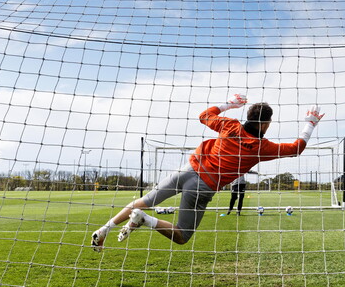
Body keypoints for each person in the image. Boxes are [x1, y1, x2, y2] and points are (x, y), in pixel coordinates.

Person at [92, 94, 324, 250]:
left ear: (249, 117)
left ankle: (103, 230)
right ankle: (146, 220)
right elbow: (296, 148)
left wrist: (229, 104)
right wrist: (310, 124)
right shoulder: (261, 147)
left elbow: (204, 115)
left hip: (187, 169)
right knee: (182, 235)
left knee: (145, 200)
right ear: (266, 124)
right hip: (203, 186)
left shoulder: (229, 125)